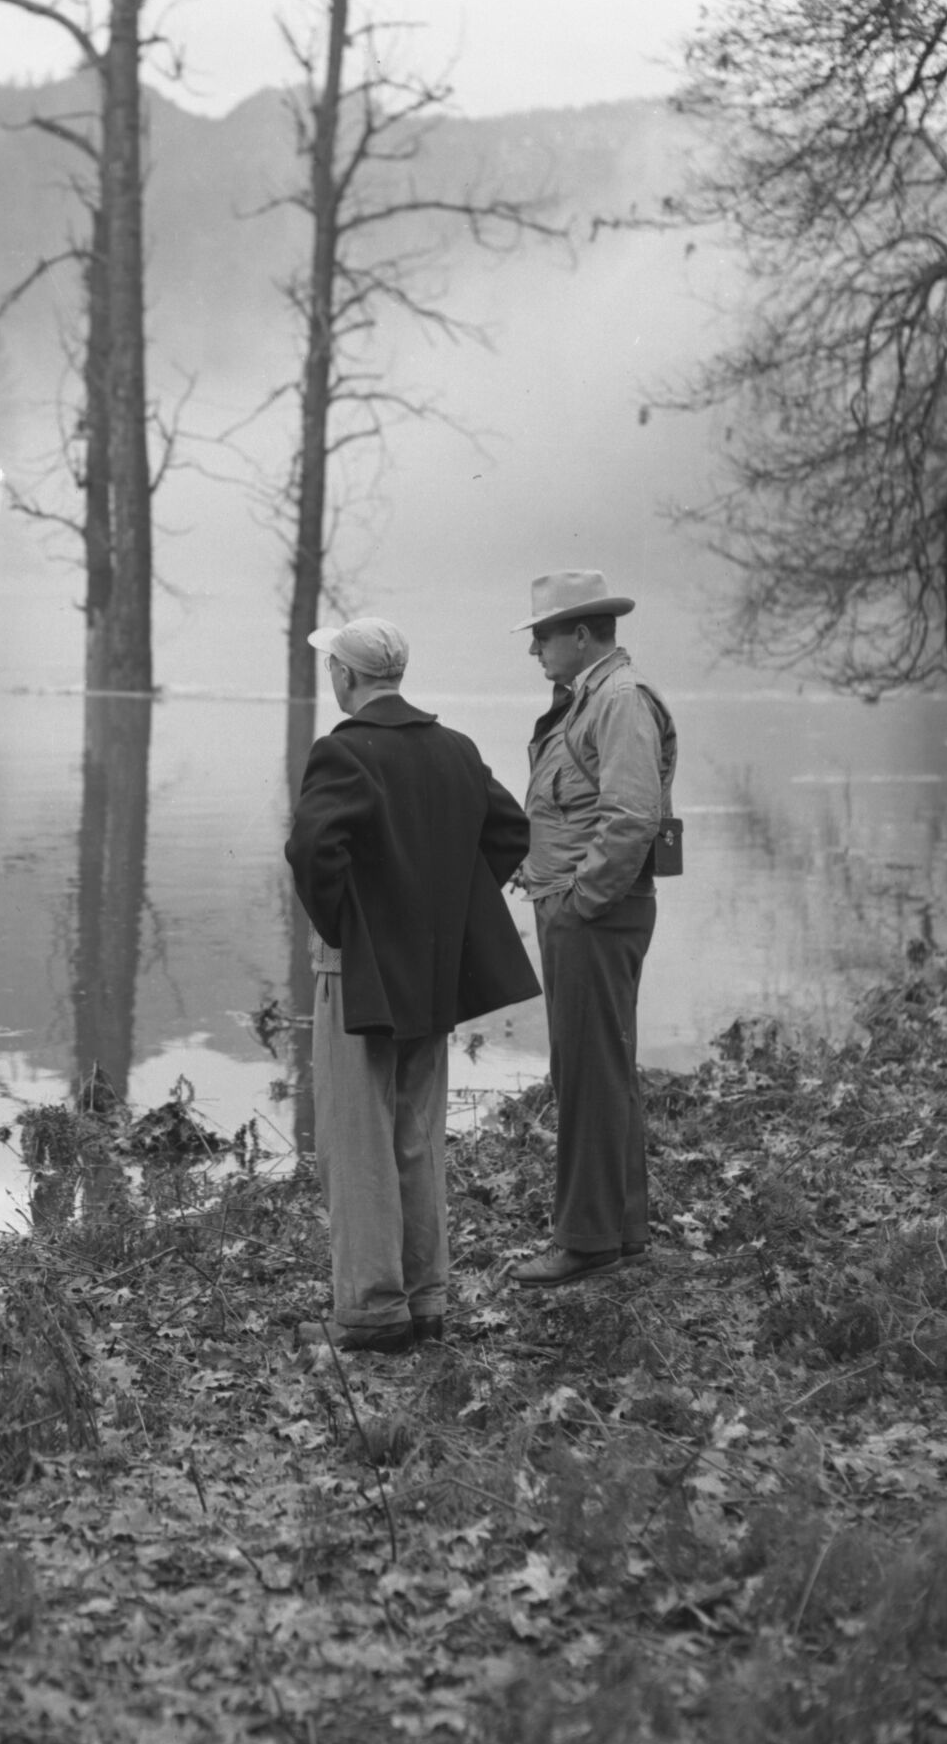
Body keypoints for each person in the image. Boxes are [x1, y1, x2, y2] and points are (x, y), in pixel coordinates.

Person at [285, 617, 539, 1353]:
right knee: (419, 1133)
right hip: (431, 969)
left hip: (359, 968)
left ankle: (369, 1309)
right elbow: (508, 833)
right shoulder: (455, 749)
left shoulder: (342, 751)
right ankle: (426, 1298)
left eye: (332, 666)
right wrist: (437, 915)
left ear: (345, 677)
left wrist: (351, 924)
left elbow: (312, 850)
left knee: (356, 1138)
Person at [509, 570, 677, 1288]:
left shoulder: (618, 701)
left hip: (594, 917)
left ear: (581, 635)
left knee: (586, 1074)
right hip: (586, 911)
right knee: (600, 1069)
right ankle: (622, 1229)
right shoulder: (594, 698)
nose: (535, 652)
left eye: (543, 636)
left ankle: (585, 1241)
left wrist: (579, 900)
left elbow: (633, 816)